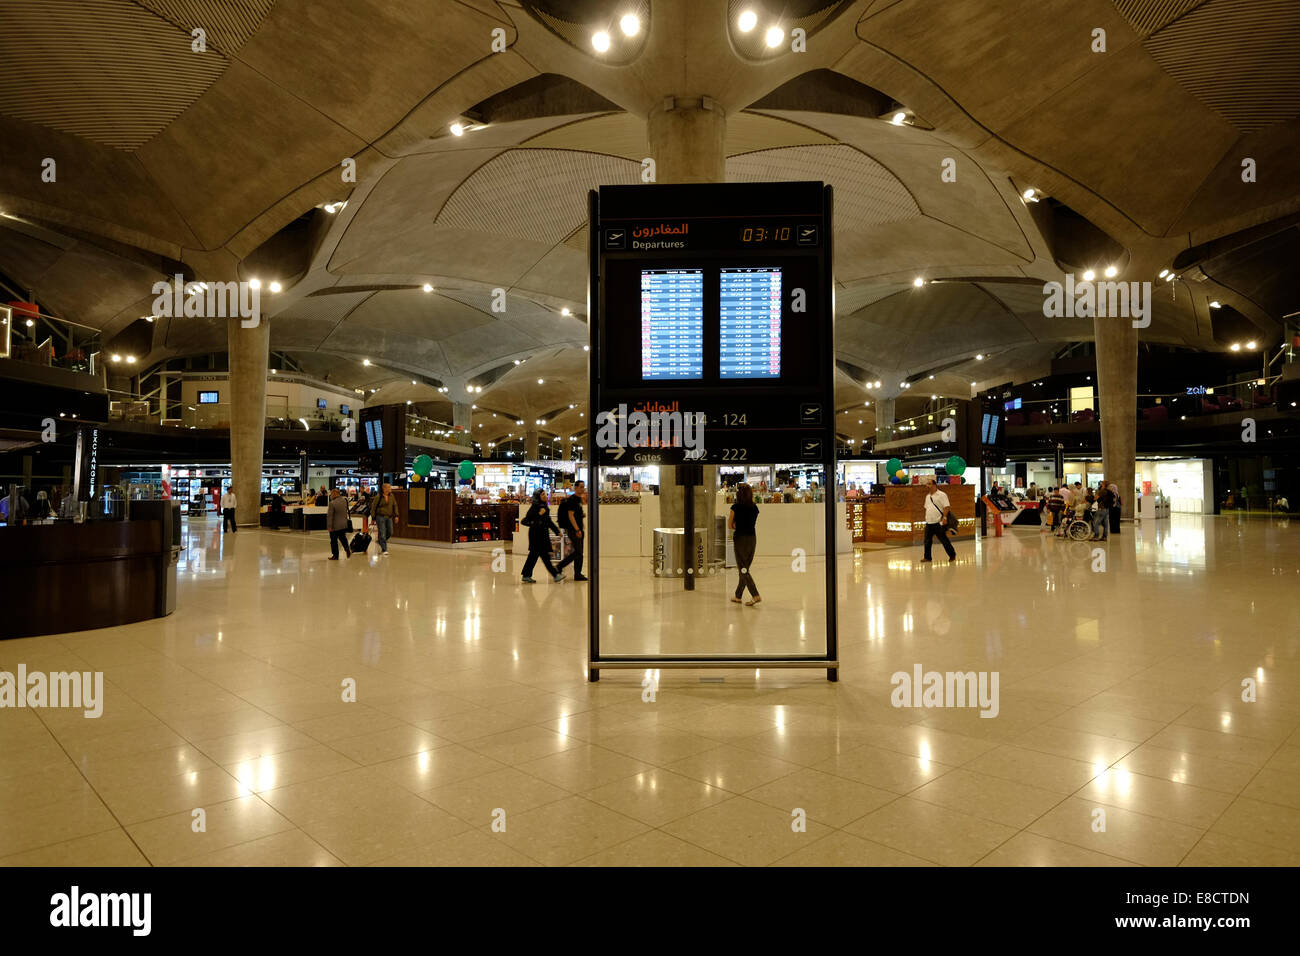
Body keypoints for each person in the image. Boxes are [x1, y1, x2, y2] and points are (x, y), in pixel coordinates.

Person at [729, 482, 761, 605]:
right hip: (752, 538)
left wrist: (737, 524)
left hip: (740, 539)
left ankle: (755, 594)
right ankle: (738, 596)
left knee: (743, 569)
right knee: (745, 568)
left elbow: (730, 525)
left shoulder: (735, 507)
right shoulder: (755, 508)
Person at [520, 489, 562, 583]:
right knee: (542, 556)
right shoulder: (535, 507)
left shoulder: (544, 507)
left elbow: (548, 521)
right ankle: (555, 575)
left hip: (542, 534)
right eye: (542, 494)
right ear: (538, 496)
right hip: (535, 535)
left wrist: (557, 531)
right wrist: (539, 514)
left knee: (535, 556)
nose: (545, 496)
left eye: (545, 494)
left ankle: (526, 575)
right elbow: (526, 520)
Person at [555, 481, 588, 581]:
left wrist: (581, 516)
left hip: (578, 529)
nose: (583, 489)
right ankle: (559, 566)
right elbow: (570, 515)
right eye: (581, 487)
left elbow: (575, 514)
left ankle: (578, 574)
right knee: (578, 552)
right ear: (576, 488)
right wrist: (577, 529)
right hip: (574, 529)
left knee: (579, 552)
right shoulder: (572, 500)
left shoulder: (578, 500)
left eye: (583, 487)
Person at [922, 478, 956, 562]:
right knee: (927, 541)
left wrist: (944, 518)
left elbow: (946, 507)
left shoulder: (942, 495)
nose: (927, 486)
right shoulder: (927, 496)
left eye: (929, 484)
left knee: (944, 540)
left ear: (934, 485)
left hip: (938, 522)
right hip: (929, 522)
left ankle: (952, 555)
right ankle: (927, 557)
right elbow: (927, 508)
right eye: (927, 484)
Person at [370, 483, 398, 554]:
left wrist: (396, 515)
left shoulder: (392, 496)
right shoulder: (378, 497)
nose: (390, 489)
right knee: (382, 532)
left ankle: (380, 541)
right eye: (389, 487)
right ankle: (384, 549)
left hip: (389, 517)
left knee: (390, 532)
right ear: (384, 489)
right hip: (380, 517)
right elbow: (373, 508)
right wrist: (373, 518)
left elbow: (395, 505)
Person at [326, 488, 351, 560]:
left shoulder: (332, 503)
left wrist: (329, 526)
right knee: (343, 538)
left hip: (334, 525)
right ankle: (347, 549)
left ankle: (335, 555)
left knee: (333, 541)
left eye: (331, 494)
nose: (330, 495)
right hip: (343, 524)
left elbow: (330, 516)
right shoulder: (344, 501)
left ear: (334, 494)